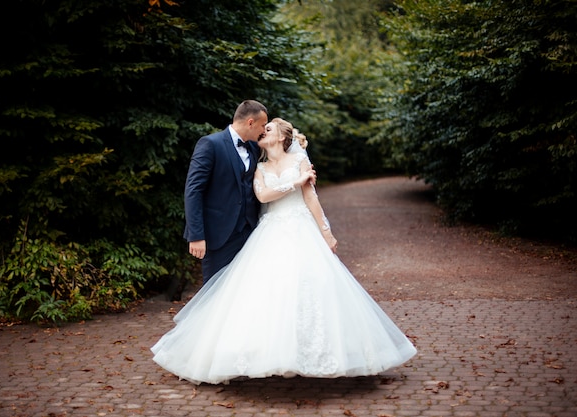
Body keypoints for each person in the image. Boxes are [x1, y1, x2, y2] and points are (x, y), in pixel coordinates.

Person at [152, 118, 417, 385]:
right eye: (262, 128)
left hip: (302, 230)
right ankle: (259, 353)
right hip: (269, 232)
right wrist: (294, 182)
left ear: (281, 137)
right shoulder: (259, 164)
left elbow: (311, 197)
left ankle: (317, 353)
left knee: (313, 288)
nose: (262, 132)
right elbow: (263, 197)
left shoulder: (300, 161)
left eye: (268, 130)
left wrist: (326, 232)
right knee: (265, 293)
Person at [183, 100, 268, 284]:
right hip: (219, 234)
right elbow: (193, 190)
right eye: (262, 125)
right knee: (215, 291)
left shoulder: (254, 147)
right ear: (250, 122)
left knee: (249, 288)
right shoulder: (210, 144)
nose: (264, 131)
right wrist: (196, 235)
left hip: (251, 233)